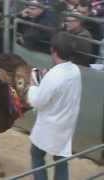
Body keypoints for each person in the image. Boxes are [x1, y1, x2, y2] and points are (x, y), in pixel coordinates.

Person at [27, 32, 82, 180]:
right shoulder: (75, 70)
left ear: (54, 50)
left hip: (50, 125)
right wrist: (46, 79)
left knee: (37, 155)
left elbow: (37, 101)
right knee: (61, 158)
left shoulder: (54, 76)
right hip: (66, 123)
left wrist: (33, 85)